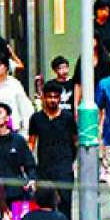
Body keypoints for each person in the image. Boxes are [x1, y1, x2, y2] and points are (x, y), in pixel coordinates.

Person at [28, 81, 78, 211]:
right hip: (44, 170)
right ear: (44, 97)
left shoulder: (68, 118)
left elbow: (76, 141)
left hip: (64, 170)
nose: (53, 100)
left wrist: (73, 162)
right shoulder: (36, 119)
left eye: (56, 97)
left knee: (65, 205)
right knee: (44, 206)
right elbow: (31, 144)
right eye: (50, 97)